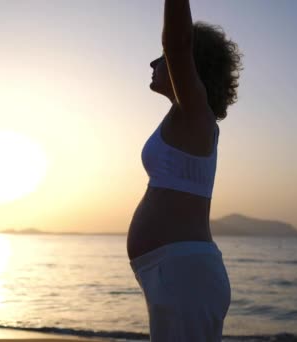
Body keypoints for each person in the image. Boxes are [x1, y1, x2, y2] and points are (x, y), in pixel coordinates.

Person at [126, 0, 243, 341]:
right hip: (174, 274)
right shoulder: (184, 116)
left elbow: (176, 43)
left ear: (190, 63)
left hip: (183, 274)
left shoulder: (196, 112)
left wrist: (175, 46)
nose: (154, 61)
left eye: (161, 59)